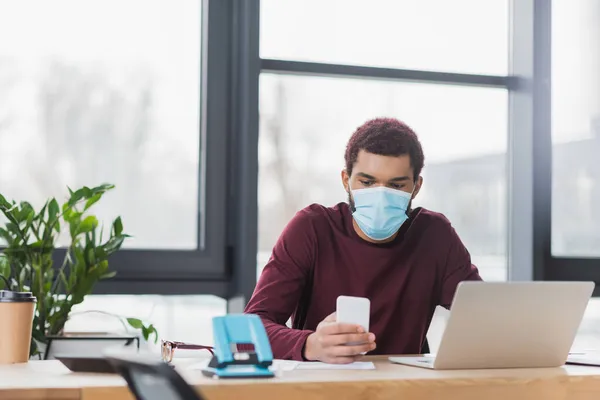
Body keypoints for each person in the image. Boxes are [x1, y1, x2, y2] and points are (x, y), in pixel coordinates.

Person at [244, 117, 482, 364]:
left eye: (396, 185)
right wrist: (309, 344)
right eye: (367, 182)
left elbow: (487, 316)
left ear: (416, 187)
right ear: (346, 180)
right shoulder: (311, 228)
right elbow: (250, 329)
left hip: (404, 388)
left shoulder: (435, 236)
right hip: (322, 387)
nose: (380, 194)